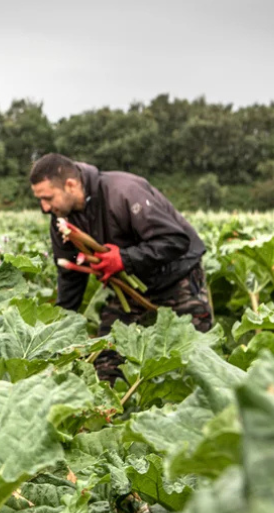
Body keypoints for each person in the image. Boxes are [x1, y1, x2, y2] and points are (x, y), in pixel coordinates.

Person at [29, 153, 213, 379]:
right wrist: (56, 331)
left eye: (48, 198)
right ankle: (111, 410)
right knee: (105, 362)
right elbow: (70, 279)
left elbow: (175, 240)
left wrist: (124, 259)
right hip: (131, 291)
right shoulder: (62, 221)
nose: (44, 207)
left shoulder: (123, 191)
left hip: (177, 277)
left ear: (70, 185)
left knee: (197, 363)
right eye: (39, 200)